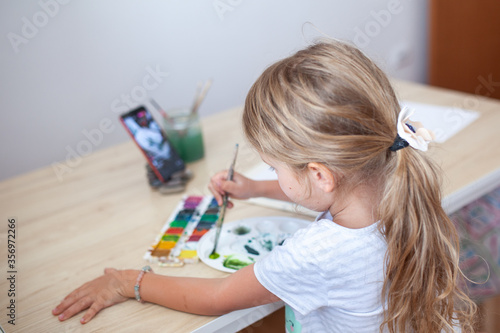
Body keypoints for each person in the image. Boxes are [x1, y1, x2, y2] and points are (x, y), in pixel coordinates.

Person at [53, 39, 477, 332]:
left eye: (274, 169)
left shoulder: (315, 255)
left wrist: (128, 281)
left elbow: (217, 296)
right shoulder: (398, 174)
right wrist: (257, 188)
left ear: (319, 175)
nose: (273, 175)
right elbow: (334, 193)